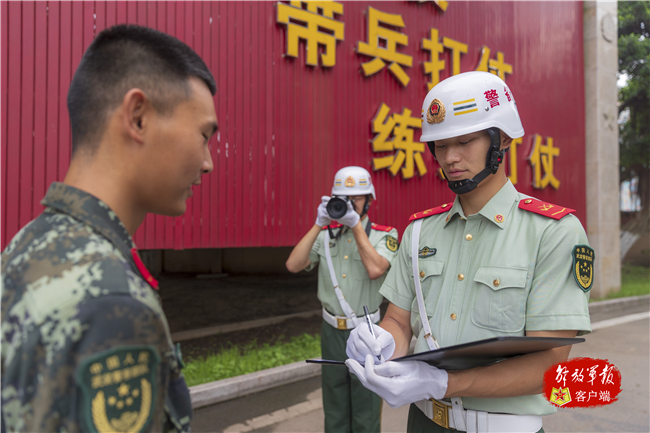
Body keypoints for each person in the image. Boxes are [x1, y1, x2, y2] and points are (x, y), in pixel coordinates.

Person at [345, 71, 592, 433]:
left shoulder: (552, 232)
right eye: (440, 146)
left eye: (464, 141)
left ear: (502, 138)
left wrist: (444, 384)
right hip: (424, 422)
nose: (451, 157)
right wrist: (382, 342)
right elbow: (398, 320)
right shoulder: (418, 232)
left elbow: (552, 363)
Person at [1, 24, 217, 432]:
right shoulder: (109, 300)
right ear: (138, 117)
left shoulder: (28, 245)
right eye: (203, 134)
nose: (207, 162)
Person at [286, 166, 399, 433]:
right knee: (334, 404)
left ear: (369, 199)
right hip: (331, 331)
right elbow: (293, 264)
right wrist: (318, 223)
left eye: (356, 198)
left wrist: (355, 224)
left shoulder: (386, 234)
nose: (350, 203)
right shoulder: (326, 237)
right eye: (344, 198)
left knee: (366, 405)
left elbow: (375, 269)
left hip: (367, 332)